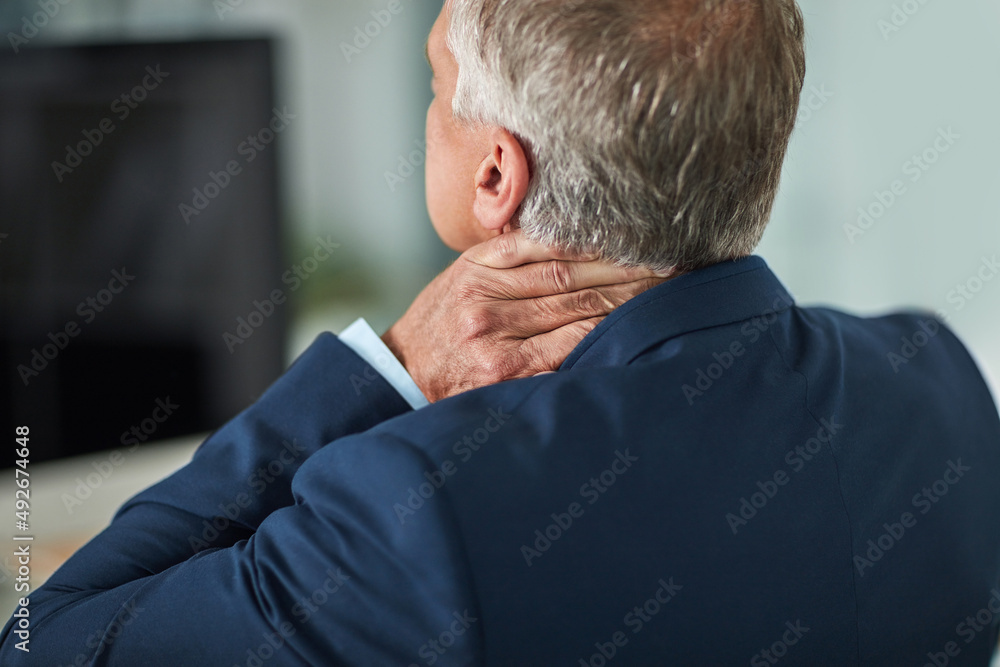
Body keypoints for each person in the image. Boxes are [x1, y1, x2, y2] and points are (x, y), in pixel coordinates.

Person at [4, 0, 1000, 664]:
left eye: (434, 84)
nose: (428, 106)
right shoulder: (940, 392)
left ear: (495, 176)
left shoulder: (414, 513)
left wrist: (386, 367)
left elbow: (46, 640)